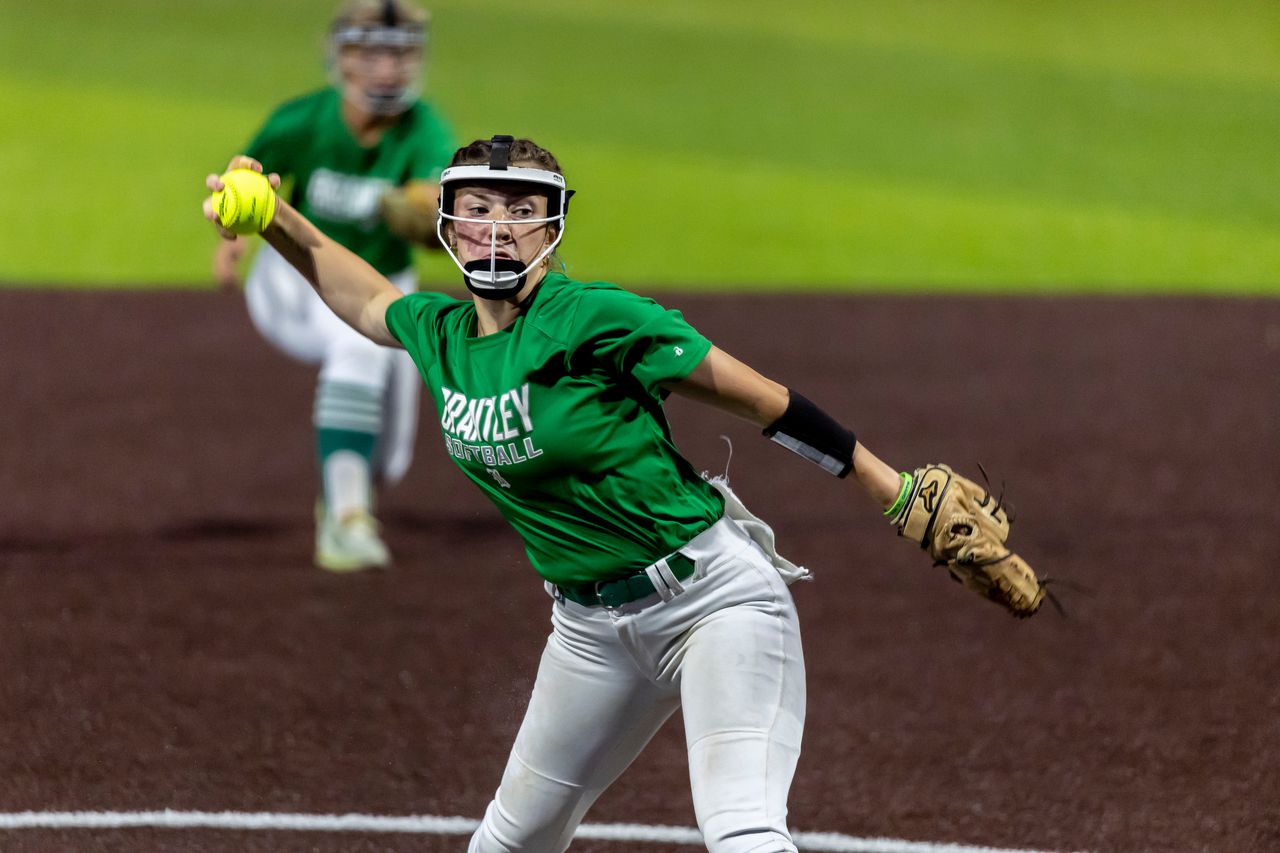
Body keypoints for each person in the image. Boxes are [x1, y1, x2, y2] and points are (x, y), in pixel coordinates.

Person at [203, 135, 1042, 852]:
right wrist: (276, 217)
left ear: (552, 226)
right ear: (447, 224)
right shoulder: (443, 335)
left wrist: (890, 489)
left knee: (742, 828)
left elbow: (762, 399)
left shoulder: (597, 317)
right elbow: (365, 298)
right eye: (480, 208)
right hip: (589, 632)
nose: (499, 226)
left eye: (521, 209)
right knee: (508, 840)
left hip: (715, 599)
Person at [212, 0, 457, 572]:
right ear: (342, 57)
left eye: (401, 54)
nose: (388, 69)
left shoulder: (427, 129)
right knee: (361, 350)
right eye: (373, 53)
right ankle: (348, 522)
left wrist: (427, 211)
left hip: (379, 287)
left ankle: (345, 495)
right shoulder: (302, 120)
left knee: (384, 455)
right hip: (291, 284)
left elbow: (436, 206)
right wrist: (234, 235)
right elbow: (247, 174)